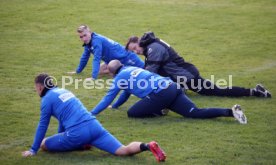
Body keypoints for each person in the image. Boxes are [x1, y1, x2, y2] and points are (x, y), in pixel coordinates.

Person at [22, 73, 166, 162]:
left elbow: (43, 125)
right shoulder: (63, 91)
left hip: (77, 133)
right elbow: (63, 119)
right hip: (95, 127)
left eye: (36, 88)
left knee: (44, 144)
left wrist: (33, 149)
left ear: (40, 87)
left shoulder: (46, 99)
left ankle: (81, 144)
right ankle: (148, 146)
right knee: (123, 150)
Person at [91, 60, 247, 124]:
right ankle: (230, 112)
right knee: (194, 112)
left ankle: (161, 110)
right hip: (173, 87)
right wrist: (116, 106)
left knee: (132, 113)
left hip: (161, 94)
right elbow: (125, 93)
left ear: (112, 73)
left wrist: (92, 113)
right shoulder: (133, 68)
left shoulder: (119, 79)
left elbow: (107, 98)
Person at [125, 32, 271, 98]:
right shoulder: (151, 45)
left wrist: (134, 82)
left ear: (139, 42)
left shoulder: (153, 49)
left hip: (186, 76)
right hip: (181, 76)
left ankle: (255, 91)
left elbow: (151, 73)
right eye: (133, 51)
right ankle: (180, 90)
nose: (136, 52)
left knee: (216, 91)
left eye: (135, 48)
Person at [68, 25, 144, 80]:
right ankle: (117, 70)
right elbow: (84, 57)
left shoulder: (96, 41)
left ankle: (121, 69)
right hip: (112, 60)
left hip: (126, 58)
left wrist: (93, 77)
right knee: (100, 71)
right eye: (81, 37)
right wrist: (77, 71)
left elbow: (96, 59)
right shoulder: (88, 43)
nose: (84, 39)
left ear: (90, 33)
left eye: (85, 35)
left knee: (145, 69)